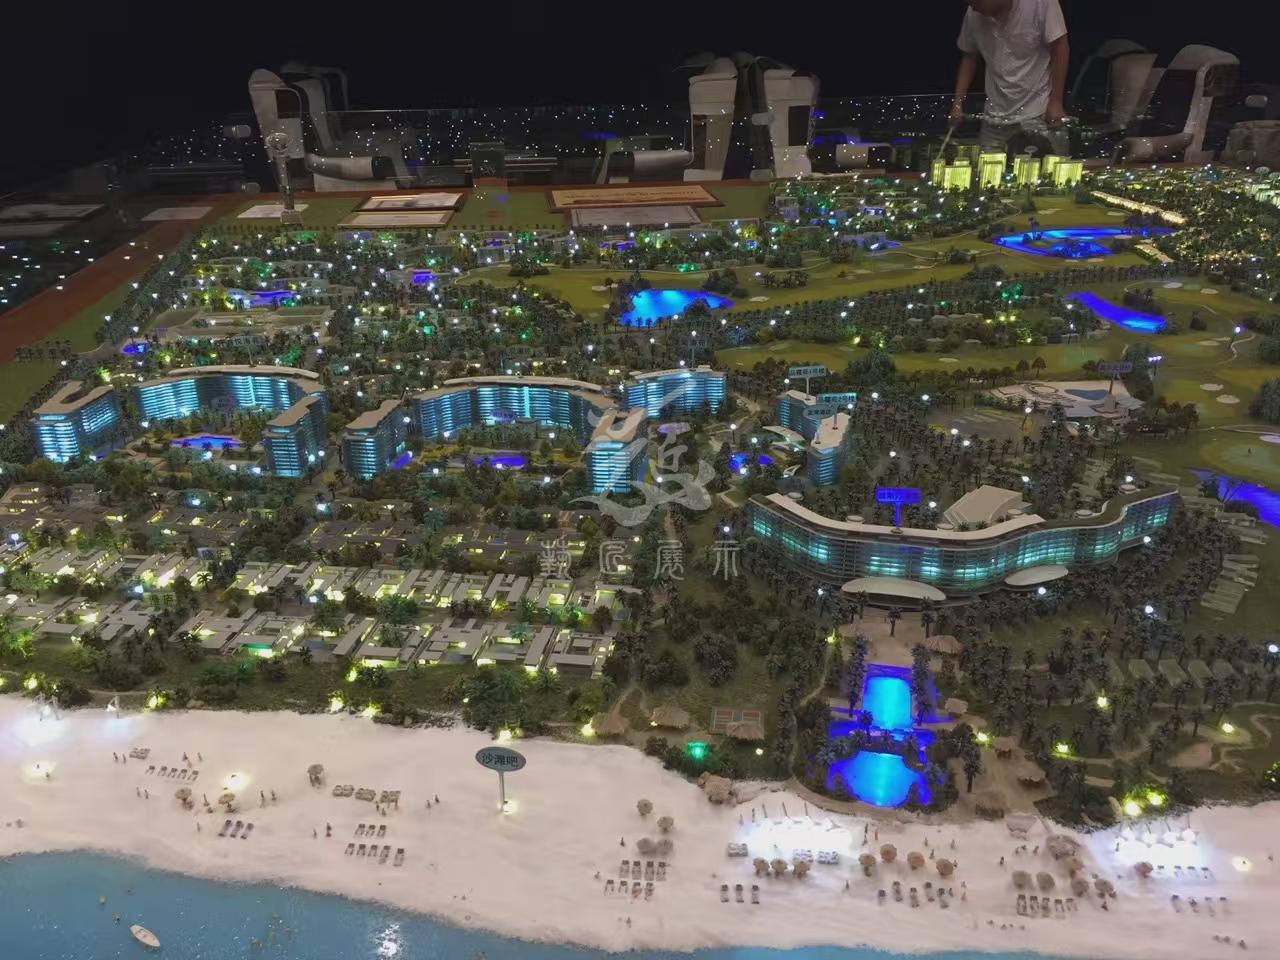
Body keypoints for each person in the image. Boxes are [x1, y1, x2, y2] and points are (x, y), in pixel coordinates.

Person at [951, 0, 1069, 153]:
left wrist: (1056, 101)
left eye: (977, 3)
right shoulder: (974, 12)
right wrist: (958, 103)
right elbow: (969, 57)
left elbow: (1060, 47)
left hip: (1038, 113)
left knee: (1047, 164)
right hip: (994, 118)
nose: (973, 7)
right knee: (988, 167)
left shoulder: (1041, 3)